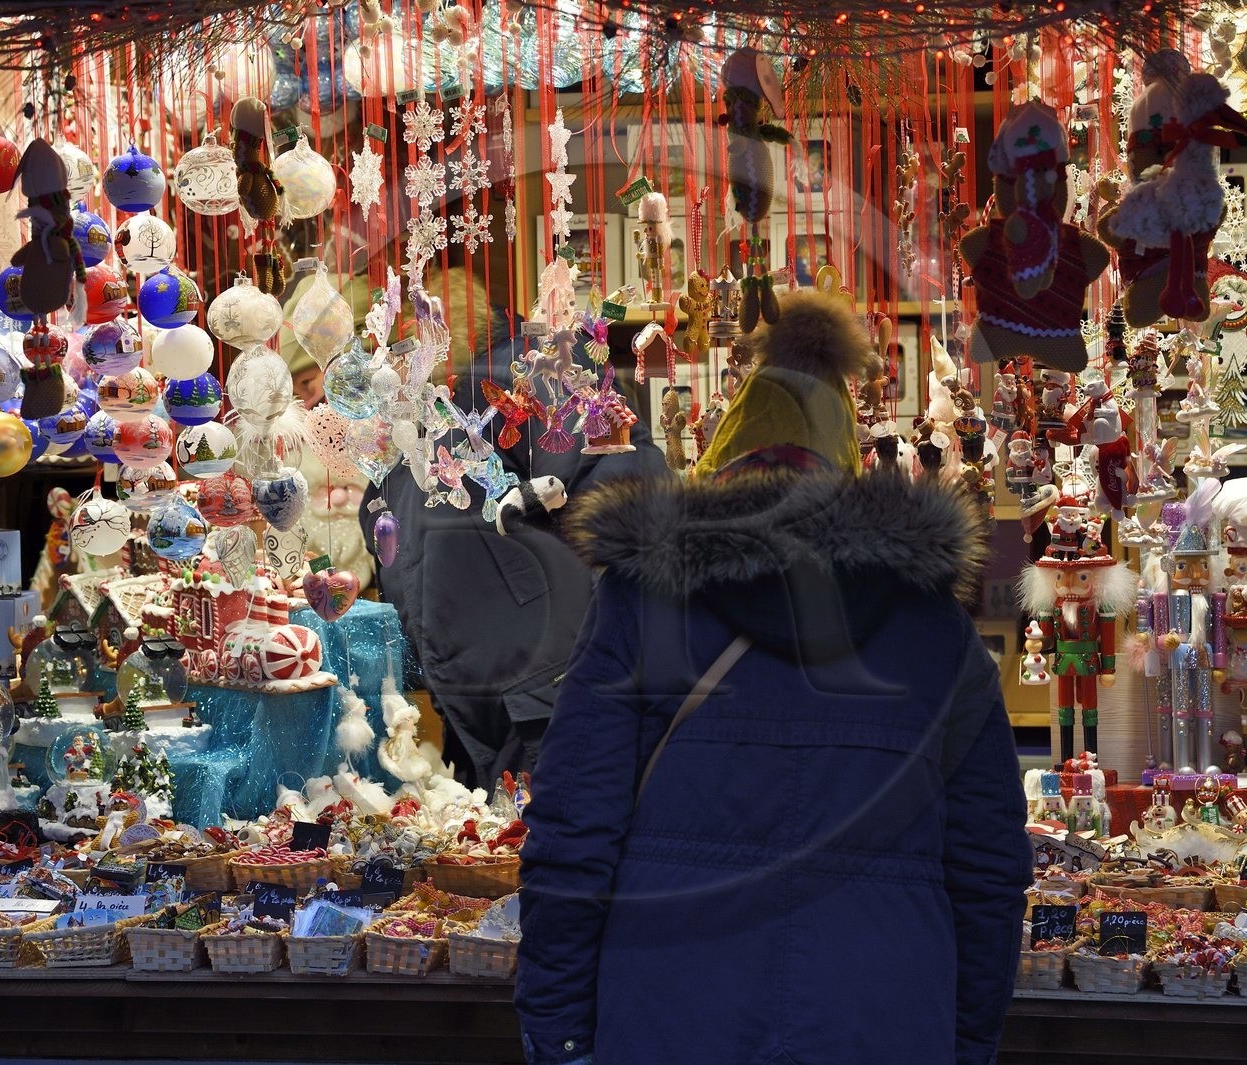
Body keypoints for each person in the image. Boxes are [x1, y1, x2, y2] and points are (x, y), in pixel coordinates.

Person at [516, 291, 1032, 1065]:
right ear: (850, 472)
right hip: (883, 1015)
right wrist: (962, 1039)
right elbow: (989, 867)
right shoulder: (935, 630)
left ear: (723, 466)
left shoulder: (640, 604)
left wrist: (559, 1035)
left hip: (673, 1013)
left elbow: (571, 835)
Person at [358, 273, 667, 789]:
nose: (392, 359)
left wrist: (575, 643)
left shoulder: (527, 381)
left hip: (540, 687)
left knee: (552, 837)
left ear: (436, 330)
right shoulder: (429, 410)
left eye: (404, 338)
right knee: (506, 847)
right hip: (487, 691)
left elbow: (627, 505)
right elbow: (393, 529)